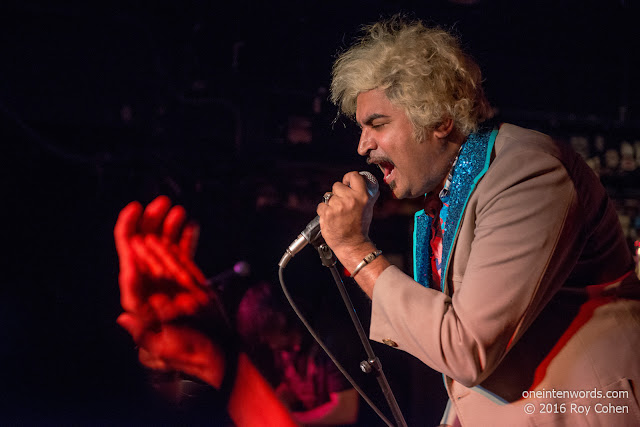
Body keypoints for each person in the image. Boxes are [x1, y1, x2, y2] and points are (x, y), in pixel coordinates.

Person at [317, 16, 640, 426]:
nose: (363, 145)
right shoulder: (448, 196)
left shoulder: (526, 172)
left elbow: (466, 347)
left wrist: (356, 251)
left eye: (377, 124)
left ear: (439, 120)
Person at [235, 282, 359, 425]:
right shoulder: (283, 348)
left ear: (279, 321)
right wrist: (275, 405)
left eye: (265, 335)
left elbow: (345, 411)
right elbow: (289, 388)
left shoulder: (332, 342)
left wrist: (289, 421)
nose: (265, 342)